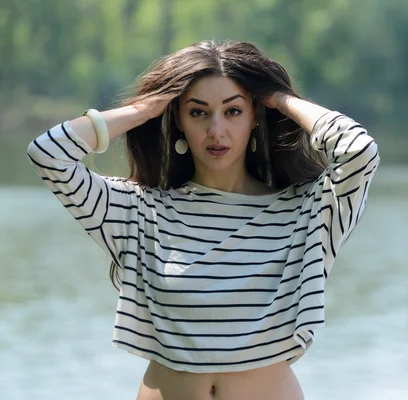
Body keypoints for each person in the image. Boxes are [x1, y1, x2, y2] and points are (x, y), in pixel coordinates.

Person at [26, 40, 380, 400]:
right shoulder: (139, 210)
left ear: (254, 116)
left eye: (233, 111)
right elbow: (48, 154)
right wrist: (145, 109)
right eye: (198, 112)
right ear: (178, 118)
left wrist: (277, 99)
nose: (216, 130)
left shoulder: (307, 211)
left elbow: (359, 151)